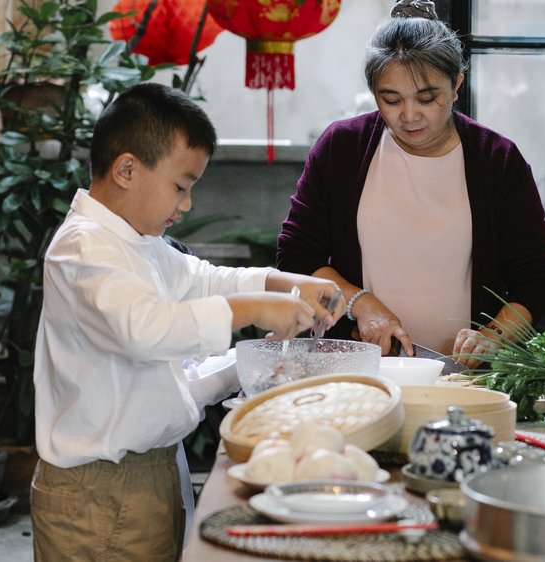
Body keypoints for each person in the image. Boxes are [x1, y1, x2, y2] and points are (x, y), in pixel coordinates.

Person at [30, 82, 343, 561]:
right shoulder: (84, 247)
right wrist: (256, 310)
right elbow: (146, 330)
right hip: (98, 494)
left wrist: (286, 283)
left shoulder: (139, 242)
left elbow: (206, 282)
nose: (187, 204)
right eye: (181, 186)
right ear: (127, 169)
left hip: (144, 475)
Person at [277, 0, 545, 368]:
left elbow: (536, 279)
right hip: (360, 367)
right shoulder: (342, 148)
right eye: (390, 99)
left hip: (464, 377)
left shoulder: (497, 160)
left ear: (456, 84)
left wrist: (492, 338)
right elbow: (297, 256)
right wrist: (361, 303)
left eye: (427, 98)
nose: (409, 116)